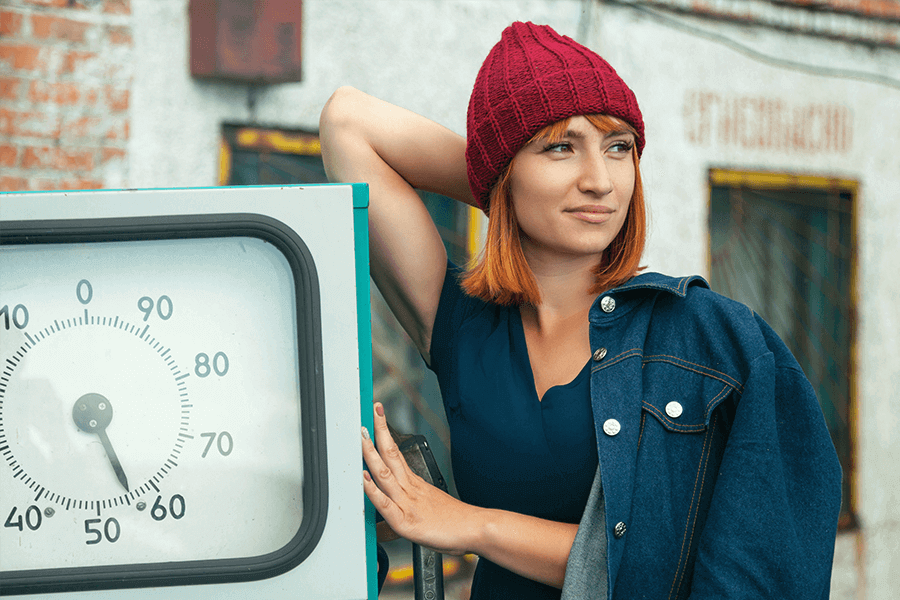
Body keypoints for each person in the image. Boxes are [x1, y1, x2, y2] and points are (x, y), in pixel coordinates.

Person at [319, 21, 842, 600]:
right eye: (561, 147)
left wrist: (474, 525)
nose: (600, 181)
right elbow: (347, 124)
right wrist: (504, 187)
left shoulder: (707, 336)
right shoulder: (462, 327)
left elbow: (697, 565)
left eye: (619, 147)